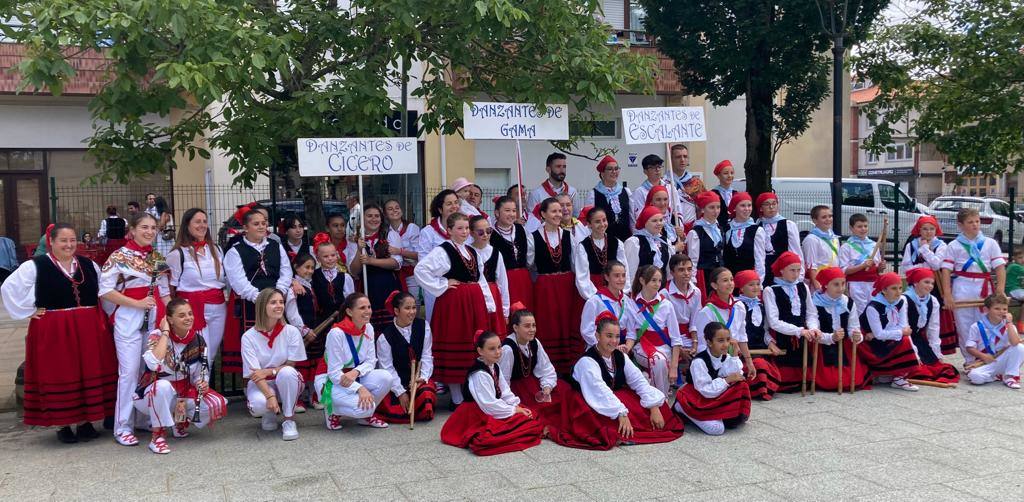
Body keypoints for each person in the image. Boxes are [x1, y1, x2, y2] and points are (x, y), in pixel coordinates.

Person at [1, 223, 117, 443]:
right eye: (63, 240)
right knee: (60, 372)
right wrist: (29, 310)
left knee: (86, 371)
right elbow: (9, 288)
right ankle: (63, 425)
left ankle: (85, 423)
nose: (69, 244)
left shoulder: (89, 265)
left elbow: (104, 293)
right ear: (51, 242)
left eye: (72, 240)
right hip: (54, 328)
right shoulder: (36, 266)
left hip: (88, 327)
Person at [554, 311, 683, 450]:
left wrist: (653, 406)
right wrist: (621, 413)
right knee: (604, 422)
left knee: (659, 408)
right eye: (608, 336)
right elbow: (599, 390)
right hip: (589, 398)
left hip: (612, 395)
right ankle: (625, 431)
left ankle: (633, 427)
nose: (614, 341)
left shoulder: (620, 356)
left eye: (616, 336)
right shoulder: (587, 361)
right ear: (597, 336)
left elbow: (639, 381)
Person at [99, 213, 172, 446]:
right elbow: (106, 292)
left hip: (153, 318)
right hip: (129, 317)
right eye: (144, 227)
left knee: (147, 369)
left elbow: (164, 290)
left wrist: (169, 317)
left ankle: (142, 418)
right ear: (132, 229)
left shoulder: (157, 257)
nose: (149, 231)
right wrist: (137, 304)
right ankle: (123, 426)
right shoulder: (119, 256)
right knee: (129, 371)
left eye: (153, 228)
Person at [415, 212, 493, 406]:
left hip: (474, 302)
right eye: (459, 228)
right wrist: (442, 284)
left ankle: (473, 391)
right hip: (455, 303)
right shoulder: (443, 251)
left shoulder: (472, 251)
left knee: (473, 343)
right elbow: (420, 270)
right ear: (449, 230)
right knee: (456, 341)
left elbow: (480, 278)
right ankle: (457, 397)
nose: (464, 232)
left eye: (466, 228)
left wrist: (488, 302)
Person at [134, 299, 227, 453]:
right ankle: (157, 437)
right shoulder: (157, 336)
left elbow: (199, 373)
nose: (188, 318)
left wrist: (201, 382)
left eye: (190, 314)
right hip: (150, 395)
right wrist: (165, 332)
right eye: (182, 315)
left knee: (216, 402)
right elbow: (154, 364)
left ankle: (179, 422)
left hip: (181, 393)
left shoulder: (197, 339)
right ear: (170, 319)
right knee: (162, 387)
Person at [440, 330, 545, 455]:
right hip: (475, 413)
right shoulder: (479, 374)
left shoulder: (494, 365)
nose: (498, 352)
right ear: (480, 351)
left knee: (530, 415)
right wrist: (513, 411)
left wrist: (516, 405)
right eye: (492, 349)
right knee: (489, 438)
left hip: (492, 408)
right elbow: (489, 404)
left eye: (499, 347)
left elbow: (505, 391)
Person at [222, 209, 293, 373]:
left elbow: (286, 271)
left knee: (278, 340)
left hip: (276, 300)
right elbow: (238, 281)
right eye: (256, 224)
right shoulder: (235, 251)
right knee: (253, 343)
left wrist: (279, 293)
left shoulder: (275, 246)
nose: (262, 227)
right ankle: (252, 383)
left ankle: (278, 376)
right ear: (246, 228)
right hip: (251, 303)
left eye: (263, 223)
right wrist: (261, 298)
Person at [315, 293, 393, 430]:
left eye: (369, 307)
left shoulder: (368, 327)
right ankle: (332, 411)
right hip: (330, 380)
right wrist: (360, 388)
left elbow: (371, 360)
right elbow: (333, 373)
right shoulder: (336, 333)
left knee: (386, 377)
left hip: (354, 375)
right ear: (349, 312)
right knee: (365, 408)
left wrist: (355, 372)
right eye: (362, 308)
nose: (368, 311)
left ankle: (366, 417)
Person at [940, 207, 1007, 365]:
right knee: (964, 325)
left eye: (977, 221)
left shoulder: (990, 243)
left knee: (987, 322)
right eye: (970, 222)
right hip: (962, 287)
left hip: (985, 287)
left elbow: (1000, 268)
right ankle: (970, 360)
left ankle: (987, 357)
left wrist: (1000, 290)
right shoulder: (954, 245)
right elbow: (946, 271)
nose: (975, 225)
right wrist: (947, 294)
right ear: (960, 225)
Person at [527, 197, 585, 374]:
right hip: (546, 287)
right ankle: (548, 367)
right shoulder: (533, 237)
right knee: (549, 323)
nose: (559, 214)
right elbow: (529, 264)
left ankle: (569, 367)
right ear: (543, 214)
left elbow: (576, 264)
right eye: (554, 211)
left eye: (560, 211)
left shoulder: (569, 236)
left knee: (567, 322)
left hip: (566, 286)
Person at [241, 288, 307, 440]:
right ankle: (269, 412)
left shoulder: (291, 331)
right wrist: (270, 396)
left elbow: (291, 365)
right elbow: (255, 373)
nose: (279, 306)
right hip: (261, 383)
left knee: (287, 373)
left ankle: (289, 419)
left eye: (281, 302)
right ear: (262, 306)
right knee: (258, 406)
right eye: (273, 302)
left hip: (284, 378)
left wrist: (270, 372)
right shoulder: (248, 337)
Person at [168, 208, 227, 368]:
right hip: (192, 309)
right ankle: (195, 391)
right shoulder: (178, 254)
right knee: (198, 354)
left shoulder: (217, 250)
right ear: (187, 225)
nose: (202, 225)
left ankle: (202, 390)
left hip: (218, 307)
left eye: (204, 221)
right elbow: (170, 288)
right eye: (197, 221)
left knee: (211, 354)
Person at [673, 322, 751, 436]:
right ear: (709, 342)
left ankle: (714, 413)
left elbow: (736, 373)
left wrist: (734, 354)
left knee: (741, 384)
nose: (725, 344)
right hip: (696, 396)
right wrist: (726, 380)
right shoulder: (699, 362)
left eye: (728, 340)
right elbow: (705, 390)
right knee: (717, 429)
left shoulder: (724, 356)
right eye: (720, 341)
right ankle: (682, 408)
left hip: (713, 395)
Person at [499, 303, 566, 430]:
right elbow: (503, 380)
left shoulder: (534, 342)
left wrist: (546, 387)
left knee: (564, 393)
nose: (532, 329)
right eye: (527, 326)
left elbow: (545, 367)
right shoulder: (508, 349)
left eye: (534, 325)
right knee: (533, 413)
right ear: (515, 327)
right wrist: (511, 404)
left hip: (532, 383)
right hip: (516, 389)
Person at [762, 251, 822, 392]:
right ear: (781, 270)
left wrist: (813, 328)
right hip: (782, 336)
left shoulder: (803, 287)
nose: (796, 274)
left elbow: (811, 313)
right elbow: (773, 321)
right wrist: (798, 331)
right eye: (791, 270)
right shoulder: (770, 290)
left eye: (798, 270)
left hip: (802, 337)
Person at [374, 291, 436, 424]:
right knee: (394, 408)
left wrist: (423, 378)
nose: (412, 312)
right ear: (396, 311)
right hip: (397, 382)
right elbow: (387, 368)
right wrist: (401, 392)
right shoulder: (385, 337)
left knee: (425, 395)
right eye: (407, 308)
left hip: (417, 378)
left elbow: (426, 355)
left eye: (414, 307)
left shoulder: (423, 326)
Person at [901, 215, 956, 355]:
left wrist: (925, 250)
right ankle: (916, 344)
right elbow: (906, 267)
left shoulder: (941, 245)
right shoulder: (911, 245)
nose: (928, 232)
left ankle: (934, 349)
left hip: (934, 286)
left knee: (933, 316)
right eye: (925, 229)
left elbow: (937, 264)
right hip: (916, 286)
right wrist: (923, 268)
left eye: (932, 229)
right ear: (919, 230)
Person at [858, 272, 923, 391]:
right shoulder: (873, 307)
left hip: (883, 337)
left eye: (900, 288)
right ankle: (896, 377)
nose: (898, 292)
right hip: (872, 344)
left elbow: (903, 325)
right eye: (894, 289)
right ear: (883, 290)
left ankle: (898, 376)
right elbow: (880, 335)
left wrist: (895, 332)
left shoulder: (902, 300)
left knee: (906, 340)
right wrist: (898, 332)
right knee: (904, 340)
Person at [809, 267, 871, 391]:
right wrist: (831, 337)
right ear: (826, 285)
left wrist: (856, 336)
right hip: (822, 345)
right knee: (830, 382)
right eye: (836, 284)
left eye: (843, 283)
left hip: (844, 345)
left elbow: (854, 326)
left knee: (854, 380)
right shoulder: (815, 302)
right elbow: (813, 326)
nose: (841, 288)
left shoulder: (848, 302)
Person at [626, 265, 683, 395]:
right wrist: (626, 350)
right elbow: (631, 334)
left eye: (659, 280)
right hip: (642, 347)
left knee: (660, 360)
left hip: (664, 348)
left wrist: (674, 367)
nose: (657, 284)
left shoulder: (666, 305)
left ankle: (655, 397)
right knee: (658, 360)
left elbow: (676, 338)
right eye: (653, 280)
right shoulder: (632, 304)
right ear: (642, 280)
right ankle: (659, 399)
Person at [349, 204, 402, 332]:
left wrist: (371, 261)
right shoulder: (355, 239)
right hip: (367, 286)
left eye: (377, 216)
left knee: (390, 325)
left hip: (387, 285)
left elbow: (396, 262)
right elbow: (354, 270)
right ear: (362, 219)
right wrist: (359, 249)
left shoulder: (390, 235)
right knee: (371, 326)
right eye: (369, 216)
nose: (374, 219)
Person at [904, 268, 959, 384]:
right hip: (904, 340)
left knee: (938, 368)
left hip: (919, 340)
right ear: (915, 283)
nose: (930, 286)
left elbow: (933, 329)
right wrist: (915, 356)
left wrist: (937, 353)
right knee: (917, 370)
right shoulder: (904, 300)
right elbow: (904, 328)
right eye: (926, 282)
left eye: (932, 283)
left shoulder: (933, 301)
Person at [734, 269, 781, 399]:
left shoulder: (761, 305)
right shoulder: (737, 305)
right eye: (751, 284)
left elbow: (763, 329)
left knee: (765, 364)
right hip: (744, 351)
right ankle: (756, 391)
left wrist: (770, 342)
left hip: (760, 348)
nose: (756, 287)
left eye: (757, 284)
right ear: (741, 288)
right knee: (759, 364)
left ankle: (763, 390)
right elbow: (736, 331)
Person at [417, 189, 460, 321]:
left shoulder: (465, 229)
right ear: (440, 209)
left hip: (460, 286)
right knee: (438, 322)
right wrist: (444, 282)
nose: (454, 206)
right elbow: (423, 262)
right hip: (437, 286)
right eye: (449, 204)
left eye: (456, 202)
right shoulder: (428, 232)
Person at [964, 294, 1024, 388]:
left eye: (1004, 309)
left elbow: (1015, 343)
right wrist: (983, 356)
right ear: (986, 310)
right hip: (985, 361)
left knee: (1020, 348)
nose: (1001, 312)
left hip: (1002, 360)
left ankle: (1009, 376)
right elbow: (969, 347)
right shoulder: (977, 326)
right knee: (975, 377)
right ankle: (997, 375)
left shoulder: (1009, 325)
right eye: (997, 309)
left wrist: (1009, 323)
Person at [285, 253, 321, 409]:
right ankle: (297, 398)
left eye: (312, 267)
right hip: (301, 333)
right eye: (306, 267)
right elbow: (291, 312)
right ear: (296, 268)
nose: (310, 271)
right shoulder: (293, 288)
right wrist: (303, 329)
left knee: (314, 366)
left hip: (314, 330)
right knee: (300, 366)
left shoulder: (310, 285)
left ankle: (314, 396)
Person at [580, 260, 636, 349]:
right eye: (616, 276)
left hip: (621, 348)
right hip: (599, 349)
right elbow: (587, 332)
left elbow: (631, 332)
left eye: (623, 275)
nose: (621, 279)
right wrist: (608, 348)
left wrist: (627, 348)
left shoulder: (627, 301)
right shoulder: (594, 302)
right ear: (607, 277)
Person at [491, 196, 533, 311]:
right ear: (497, 213)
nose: (512, 214)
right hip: (503, 279)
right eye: (507, 210)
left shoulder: (521, 229)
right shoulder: (491, 234)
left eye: (514, 210)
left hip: (523, 279)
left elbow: (530, 254)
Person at [574, 206, 626, 298]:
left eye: (604, 220)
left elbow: (624, 267)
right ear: (589, 224)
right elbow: (582, 276)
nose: (602, 224)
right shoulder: (583, 246)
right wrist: (593, 295)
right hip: (593, 290)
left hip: (614, 288)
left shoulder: (616, 243)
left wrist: (623, 290)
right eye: (597, 221)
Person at [471, 215, 510, 334]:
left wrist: (505, 310)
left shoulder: (495, 253)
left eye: (488, 231)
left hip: (493, 295)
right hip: (474, 296)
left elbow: (503, 282)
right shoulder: (467, 251)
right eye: (480, 232)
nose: (486, 235)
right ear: (472, 233)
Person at [840, 213, 885, 314]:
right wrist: (863, 266)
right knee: (860, 311)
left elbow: (877, 269)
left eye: (865, 226)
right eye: (859, 226)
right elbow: (844, 270)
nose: (863, 229)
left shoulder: (874, 245)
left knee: (874, 310)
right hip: (856, 284)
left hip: (873, 283)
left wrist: (881, 267)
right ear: (851, 228)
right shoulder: (846, 247)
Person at [756, 192, 804, 287]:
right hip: (764, 270)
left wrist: (799, 276)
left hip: (783, 271)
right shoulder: (757, 225)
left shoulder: (788, 225)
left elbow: (796, 252)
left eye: (774, 203)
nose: (771, 207)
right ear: (761, 208)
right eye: (767, 204)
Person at [311, 232, 355, 330]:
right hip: (322, 321)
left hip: (342, 319)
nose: (330, 259)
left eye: (333, 255)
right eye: (326, 257)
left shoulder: (345, 277)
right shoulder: (313, 276)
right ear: (318, 258)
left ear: (337, 255)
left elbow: (350, 300)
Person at [585, 155, 633, 243]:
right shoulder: (593, 194)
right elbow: (589, 220)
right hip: (604, 240)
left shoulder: (626, 191)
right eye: (610, 169)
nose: (614, 172)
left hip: (626, 239)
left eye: (616, 168)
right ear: (602, 173)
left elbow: (632, 217)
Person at [662, 254, 702, 357]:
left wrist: (695, 343)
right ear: (672, 272)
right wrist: (678, 347)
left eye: (689, 269)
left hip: (690, 336)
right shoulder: (665, 294)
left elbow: (695, 320)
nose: (686, 273)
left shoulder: (696, 292)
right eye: (681, 270)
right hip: (669, 336)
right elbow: (664, 324)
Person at [686, 191, 725, 294]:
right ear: (703, 209)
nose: (716, 211)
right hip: (703, 274)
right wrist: (692, 281)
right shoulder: (695, 233)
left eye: (718, 207)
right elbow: (693, 260)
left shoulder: (719, 229)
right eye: (711, 207)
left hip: (719, 274)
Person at [625, 205, 670, 290]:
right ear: (645, 222)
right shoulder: (634, 242)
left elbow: (668, 270)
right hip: (640, 290)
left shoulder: (665, 241)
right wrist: (630, 291)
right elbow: (630, 271)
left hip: (660, 290)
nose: (659, 223)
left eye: (661, 220)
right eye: (654, 221)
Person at [384, 199, 421, 300]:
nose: (395, 210)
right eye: (390, 209)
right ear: (385, 214)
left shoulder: (411, 228)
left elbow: (419, 254)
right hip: (393, 272)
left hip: (410, 271)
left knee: (414, 300)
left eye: (397, 208)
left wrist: (399, 252)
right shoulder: (385, 231)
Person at [723, 192, 766, 278]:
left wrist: (758, 282)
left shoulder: (757, 230)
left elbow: (760, 260)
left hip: (748, 280)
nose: (747, 209)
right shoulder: (727, 229)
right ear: (734, 208)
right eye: (742, 205)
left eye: (749, 205)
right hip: (730, 279)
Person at [801, 206, 842, 291]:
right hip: (820, 280)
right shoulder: (811, 239)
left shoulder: (834, 237)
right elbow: (811, 265)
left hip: (835, 279)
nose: (828, 219)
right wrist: (817, 286)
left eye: (830, 216)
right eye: (824, 217)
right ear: (815, 220)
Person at [527, 153, 577, 218]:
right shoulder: (536, 194)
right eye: (558, 166)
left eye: (564, 167)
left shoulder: (572, 192)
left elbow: (576, 217)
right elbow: (532, 220)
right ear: (548, 169)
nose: (562, 170)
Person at [629, 154, 666, 222]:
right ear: (645, 171)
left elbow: (677, 210)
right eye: (653, 167)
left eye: (659, 166)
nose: (657, 170)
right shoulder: (639, 192)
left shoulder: (669, 188)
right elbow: (640, 216)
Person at [709, 160, 738, 232]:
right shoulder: (713, 194)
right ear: (718, 176)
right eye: (725, 173)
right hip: (718, 230)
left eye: (732, 173)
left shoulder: (736, 194)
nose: (730, 176)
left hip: (734, 231)